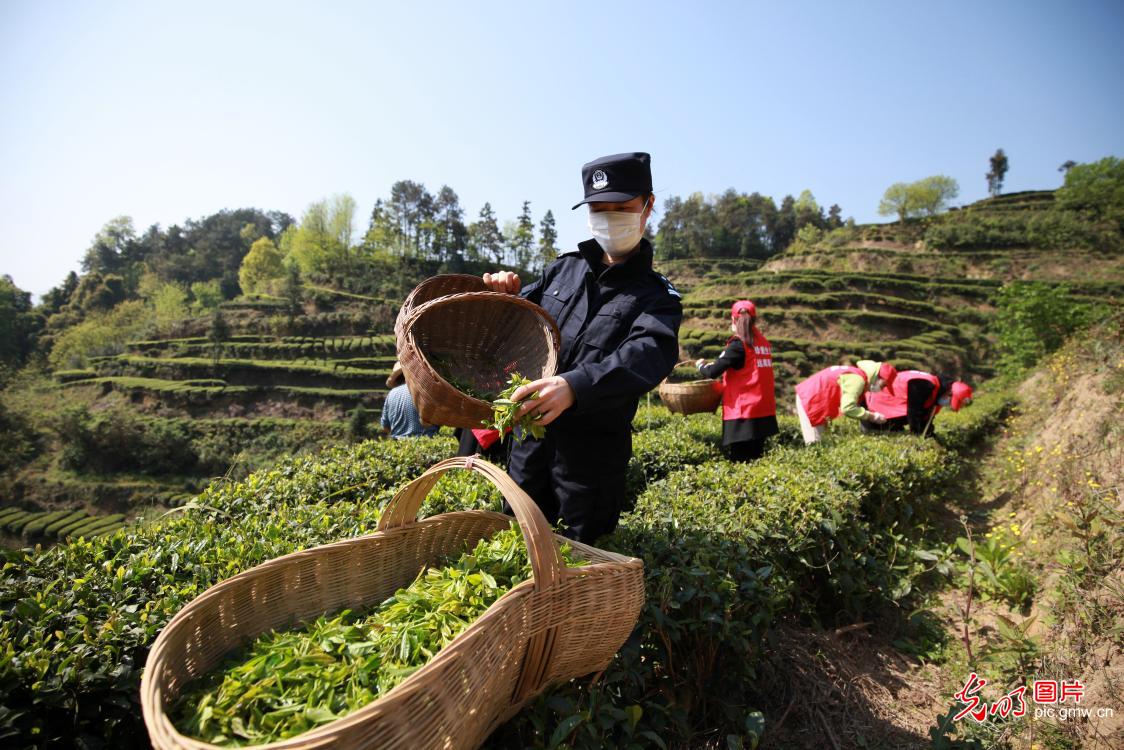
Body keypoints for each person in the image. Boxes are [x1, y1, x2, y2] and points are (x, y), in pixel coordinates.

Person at [480, 151, 683, 543]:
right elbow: (514, 326)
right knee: (517, 542)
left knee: (581, 558)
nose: (609, 219)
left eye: (621, 208)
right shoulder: (562, 270)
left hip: (590, 468)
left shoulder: (657, 297)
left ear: (648, 207)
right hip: (529, 449)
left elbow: (648, 353)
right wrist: (502, 296)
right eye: (599, 209)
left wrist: (576, 386)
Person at [694, 299, 778, 461]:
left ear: (733, 319)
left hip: (743, 413)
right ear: (754, 320)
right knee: (757, 461)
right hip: (764, 411)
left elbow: (712, 371)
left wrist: (700, 366)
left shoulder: (738, 344)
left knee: (740, 462)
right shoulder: (763, 342)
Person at [794, 360, 897, 445]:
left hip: (814, 398)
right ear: (877, 377)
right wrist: (872, 417)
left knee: (825, 442)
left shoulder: (857, 374)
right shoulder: (857, 380)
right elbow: (848, 408)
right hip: (810, 400)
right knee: (816, 444)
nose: (882, 388)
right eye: (884, 385)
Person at [863, 370, 974, 435]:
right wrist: (919, 435)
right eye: (950, 401)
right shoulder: (924, 384)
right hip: (874, 409)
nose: (947, 404)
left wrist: (929, 435)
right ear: (949, 392)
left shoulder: (936, 391)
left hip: (888, 413)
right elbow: (914, 412)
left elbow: (926, 419)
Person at [380, 362, 440, 439]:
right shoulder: (424, 390)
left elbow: (385, 427)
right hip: (426, 441)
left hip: (398, 443)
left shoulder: (391, 394)